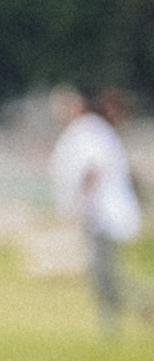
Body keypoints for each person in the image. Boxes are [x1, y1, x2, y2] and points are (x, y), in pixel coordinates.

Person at [49, 85, 148, 332]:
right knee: (100, 272)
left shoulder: (88, 130)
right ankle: (113, 321)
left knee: (101, 271)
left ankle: (131, 311)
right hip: (99, 211)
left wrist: (83, 205)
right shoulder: (89, 131)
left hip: (100, 213)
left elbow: (91, 170)